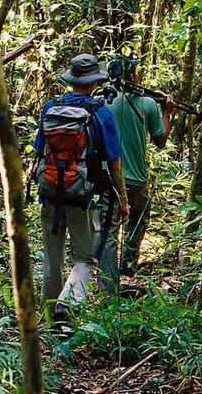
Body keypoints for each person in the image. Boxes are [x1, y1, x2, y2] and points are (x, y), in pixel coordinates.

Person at [34, 53, 130, 321]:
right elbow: (114, 162)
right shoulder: (100, 113)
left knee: (51, 259)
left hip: (49, 190)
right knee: (85, 258)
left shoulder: (50, 108)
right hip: (81, 194)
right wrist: (123, 200)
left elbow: (39, 150)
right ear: (94, 82)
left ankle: (47, 317)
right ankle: (68, 304)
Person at [97, 57, 175, 292]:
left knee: (109, 229)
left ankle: (108, 283)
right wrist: (167, 113)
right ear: (131, 76)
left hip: (107, 177)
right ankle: (128, 267)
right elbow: (161, 140)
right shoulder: (147, 104)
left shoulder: (101, 102)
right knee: (137, 219)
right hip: (137, 179)